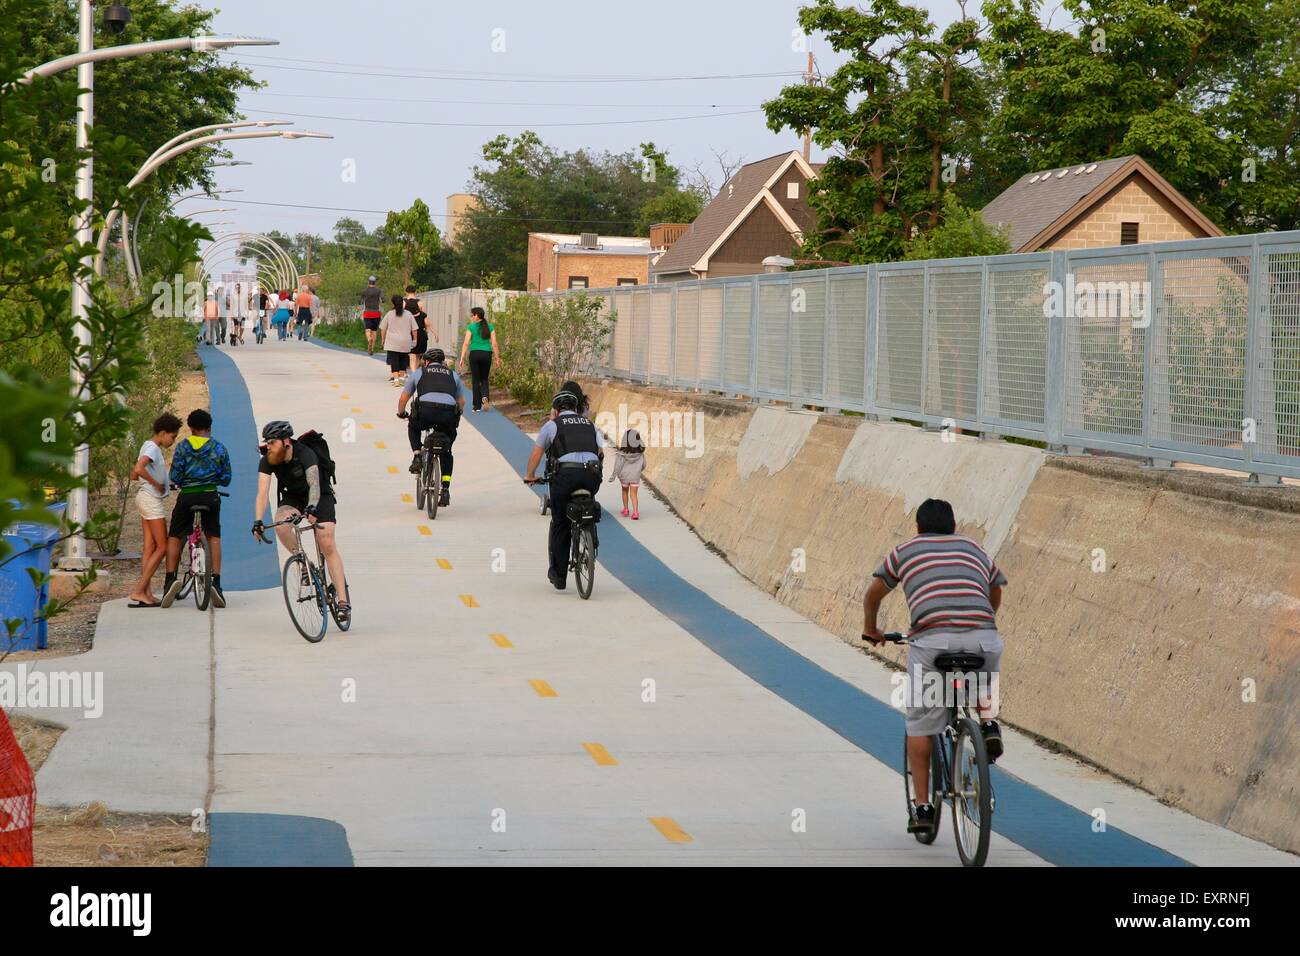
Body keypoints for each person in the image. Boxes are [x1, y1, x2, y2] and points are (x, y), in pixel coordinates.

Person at [861, 498, 1006, 835]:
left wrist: (872, 629)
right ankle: (988, 725)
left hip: (933, 643)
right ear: (954, 526)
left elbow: (873, 596)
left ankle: (924, 807)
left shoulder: (905, 551)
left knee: (921, 725)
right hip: (983, 637)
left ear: (918, 528)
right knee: (982, 679)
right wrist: (984, 618)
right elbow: (995, 586)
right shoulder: (972, 547)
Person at [252, 421, 350, 627]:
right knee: (280, 524)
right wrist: (258, 520)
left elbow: (314, 484)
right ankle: (302, 561)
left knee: (327, 543)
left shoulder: (305, 453)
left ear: (286, 442)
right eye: (266, 442)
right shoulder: (268, 459)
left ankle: (342, 601)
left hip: (319, 495)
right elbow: (262, 493)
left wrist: (312, 508)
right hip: (293, 497)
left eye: (272, 442)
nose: (268, 446)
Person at [523, 389, 604, 591]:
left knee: (560, 522)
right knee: (588, 504)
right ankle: (590, 540)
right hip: (592, 476)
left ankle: (559, 576)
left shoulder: (552, 425)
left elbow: (536, 455)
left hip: (566, 477)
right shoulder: (590, 425)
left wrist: (530, 476)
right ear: (577, 409)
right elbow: (600, 452)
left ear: (556, 410)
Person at [159, 409, 233, 609]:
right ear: (209, 427)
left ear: (190, 428)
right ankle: (216, 582)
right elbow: (226, 478)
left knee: (175, 535)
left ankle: (170, 580)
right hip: (210, 496)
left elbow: (175, 475)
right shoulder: (219, 448)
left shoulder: (183, 447)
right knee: (213, 537)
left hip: (188, 496)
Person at [127, 413, 182, 607]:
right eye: (173, 437)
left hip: (145, 498)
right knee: (163, 546)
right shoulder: (152, 447)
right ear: (163, 432)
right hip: (151, 500)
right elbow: (139, 468)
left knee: (150, 547)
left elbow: (134, 475)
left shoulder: (147, 446)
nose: (173, 441)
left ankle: (146, 593)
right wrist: (156, 484)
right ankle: (139, 590)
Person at [397, 348, 464, 507]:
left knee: (413, 427)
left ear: (426, 361)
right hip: (447, 415)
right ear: (442, 362)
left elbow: (403, 398)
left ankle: (417, 455)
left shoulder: (419, 372)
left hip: (425, 412)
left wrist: (401, 413)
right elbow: (461, 402)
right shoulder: (453, 375)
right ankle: (445, 489)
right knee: (447, 449)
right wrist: (457, 415)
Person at [457, 306, 500, 411]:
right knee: (484, 378)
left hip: (475, 354)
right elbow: (494, 344)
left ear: (476, 316)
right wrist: (497, 358)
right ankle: (485, 397)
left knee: (476, 380)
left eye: (472, 315)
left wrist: (462, 358)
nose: (471, 317)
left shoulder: (471, 327)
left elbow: (466, 343)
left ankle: (476, 406)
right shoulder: (490, 327)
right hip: (487, 354)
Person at [607, 427, 646, 520]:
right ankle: (636, 512)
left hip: (624, 476)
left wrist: (613, 476)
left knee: (624, 491)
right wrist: (639, 470)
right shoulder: (640, 453)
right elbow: (644, 464)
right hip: (635, 476)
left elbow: (617, 466)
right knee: (634, 494)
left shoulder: (622, 453)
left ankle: (625, 509)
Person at [378, 294, 417, 387]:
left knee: (394, 360)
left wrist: (383, 339)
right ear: (402, 302)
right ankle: (402, 379)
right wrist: (415, 340)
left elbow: (383, 328)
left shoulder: (390, 314)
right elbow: (414, 329)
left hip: (392, 341)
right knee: (403, 359)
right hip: (405, 341)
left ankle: (396, 379)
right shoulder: (408, 314)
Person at [405, 285, 431, 373]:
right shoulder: (420, 302)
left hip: (408, 330)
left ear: (406, 292)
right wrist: (427, 330)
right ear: (415, 292)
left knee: (411, 354)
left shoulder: (403, 302)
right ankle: (415, 372)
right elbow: (424, 317)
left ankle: (412, 373)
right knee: (418, 354)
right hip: (420, 330)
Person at [360, 276, 384, 355]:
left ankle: (369, 339)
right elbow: (383, 300)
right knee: (374, 331)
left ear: (368, 282)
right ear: (375, 283)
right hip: (376, 313)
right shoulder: (379, 291)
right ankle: (372, 349)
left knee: (367, 329)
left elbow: (360, 301)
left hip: (367, 313)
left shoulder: (364, 291)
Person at [229, 282, 246, 347]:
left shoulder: (243, 295)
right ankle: (235, 340)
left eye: (238, 288)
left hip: (242, 313)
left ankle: (240, 336)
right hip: (235, 313)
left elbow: (246, 304)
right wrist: (231, 314)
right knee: (236, 327)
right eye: (236, 288)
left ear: (240, 288)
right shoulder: (233, 295)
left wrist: (247, 312)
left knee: (242, 327)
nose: (237, 289)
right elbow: (231, 305)